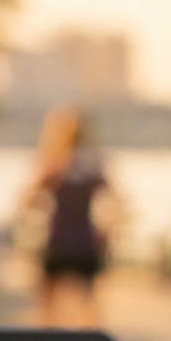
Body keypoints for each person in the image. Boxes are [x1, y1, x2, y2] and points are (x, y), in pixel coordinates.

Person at [27, 106, 114, 328]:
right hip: (85, 242)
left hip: (58, 242)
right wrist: (106, 232)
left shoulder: (54, 162)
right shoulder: (93, 164)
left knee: (47, 310)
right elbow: (115, 202)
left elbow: (29, 200)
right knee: (89, 308)